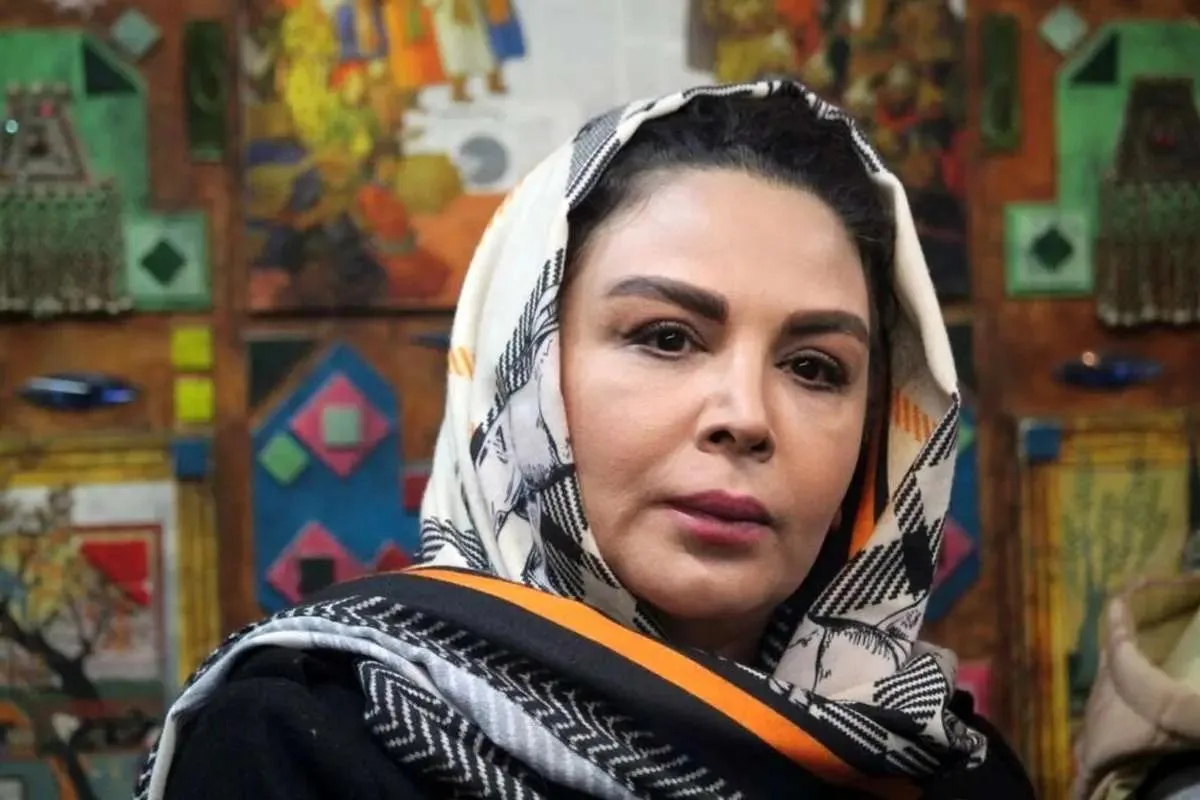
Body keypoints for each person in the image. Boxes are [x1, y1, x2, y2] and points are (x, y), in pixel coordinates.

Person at [135, 81, 1034, 799]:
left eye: (815, 367)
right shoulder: (303, 744)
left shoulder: (944, 766)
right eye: (666, 338)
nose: (747, 417)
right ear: (524, 374)